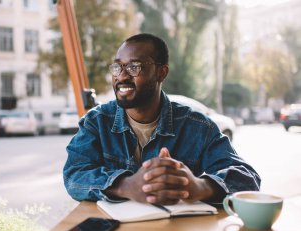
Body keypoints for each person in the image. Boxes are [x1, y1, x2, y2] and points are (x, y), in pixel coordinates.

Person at [63, 33, 260, 205]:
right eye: (117, 67)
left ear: (161, 72)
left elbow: (248, 178)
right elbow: (73, 174)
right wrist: (126, 186)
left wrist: (199, 186)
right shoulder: (96, 122)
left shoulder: (198, 126)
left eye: (134, 67)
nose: (121, 76)